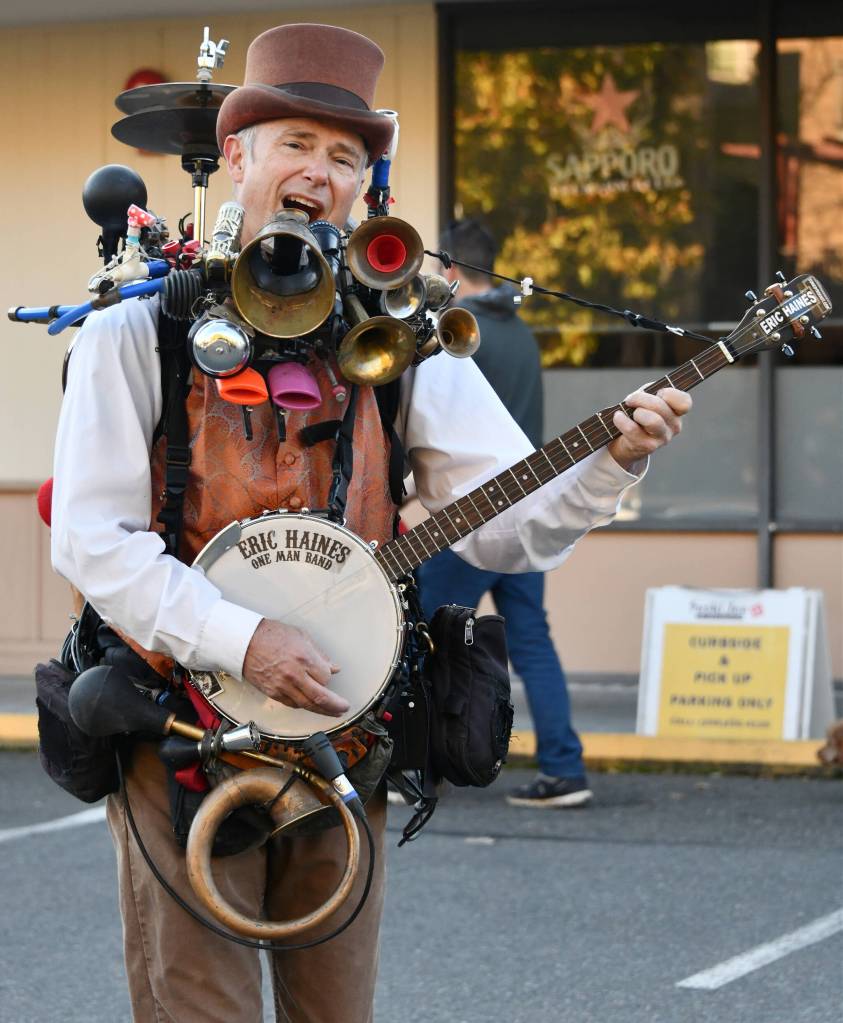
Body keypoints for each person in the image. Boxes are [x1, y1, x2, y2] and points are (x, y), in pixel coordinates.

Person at [50, 22, 692, 1023]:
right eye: (295, 144)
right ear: (236, 158)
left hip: (344, 740)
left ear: (363, 187)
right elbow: (91, 540)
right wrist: (243, 639)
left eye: (344, 156)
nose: (319, 171)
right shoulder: (140, 328)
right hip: (181, 732)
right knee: (198, 1009)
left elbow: (509, 527)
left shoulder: (405, 344)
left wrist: (614, 460)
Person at [417, 218, 592, 809]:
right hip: (528, 511)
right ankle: (564, 770)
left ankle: (421, 769)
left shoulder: (456, 332)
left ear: (449, 267)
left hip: (470, 517)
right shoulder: (523, 334)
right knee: (533, 641)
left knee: (423, 635)